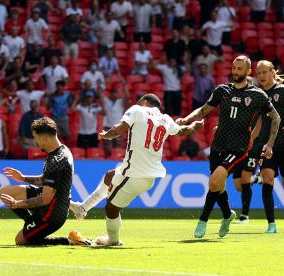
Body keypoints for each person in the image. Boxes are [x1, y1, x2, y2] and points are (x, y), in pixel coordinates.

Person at [70, 94, 204, 245]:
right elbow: (182, 131)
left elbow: (119, 128)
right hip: (148, 174)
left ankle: (113, 240)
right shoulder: (166, 119)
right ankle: (82, 208)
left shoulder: (137, 109)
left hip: (134, 173)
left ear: (144, 102)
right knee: (110, 176)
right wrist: (194, 127)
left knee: (111, 208)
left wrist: (106, 135)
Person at [176, 56, 281, 239]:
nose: (235, 72)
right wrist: (186, 119)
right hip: (218, 145)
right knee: (218, 184)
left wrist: (270, 143)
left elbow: (276, 117)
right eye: (234, 68)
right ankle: (227, 214)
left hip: (238, 148)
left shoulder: (257, 95)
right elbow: (204, 109)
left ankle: (203, 221)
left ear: (248, 72)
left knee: (215, 180)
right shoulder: (222, 90)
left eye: (240, 69)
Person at [0, 117, 92, 246]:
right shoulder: (61, 150)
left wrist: (17, 204)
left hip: (52, 215)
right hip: (51, 202)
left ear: (44, 138)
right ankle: (32, 223)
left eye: (35, 138)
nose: (35, 142)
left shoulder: (57, 161)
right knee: (4, 191)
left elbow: (45, 199)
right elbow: (46, 180)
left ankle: (69, 240)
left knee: (20, 240)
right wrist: (23, 178)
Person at [234, 60, 284, 233]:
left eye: (264, 72)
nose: (261, 76)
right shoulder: (259, 94)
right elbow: (260, 122)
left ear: (272, 72)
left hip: (283, 143)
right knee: (267, 178)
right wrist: (247, 142)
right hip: (266, 145)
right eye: (258, 73)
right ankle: (271, 224)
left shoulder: (282, 91)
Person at [102, 82, 129, 157]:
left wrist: (124, 86)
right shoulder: (106, 101)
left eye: (115, 93)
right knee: (107, 147)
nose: (114, 94)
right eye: (112, 93)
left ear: (117, 94)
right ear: (110, 94)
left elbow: (127, 96)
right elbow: (100, 96)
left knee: (118, 147)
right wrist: (103, 85)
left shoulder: (120, 102)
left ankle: (116, 160)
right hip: (107, 127)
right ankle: (107, 161)